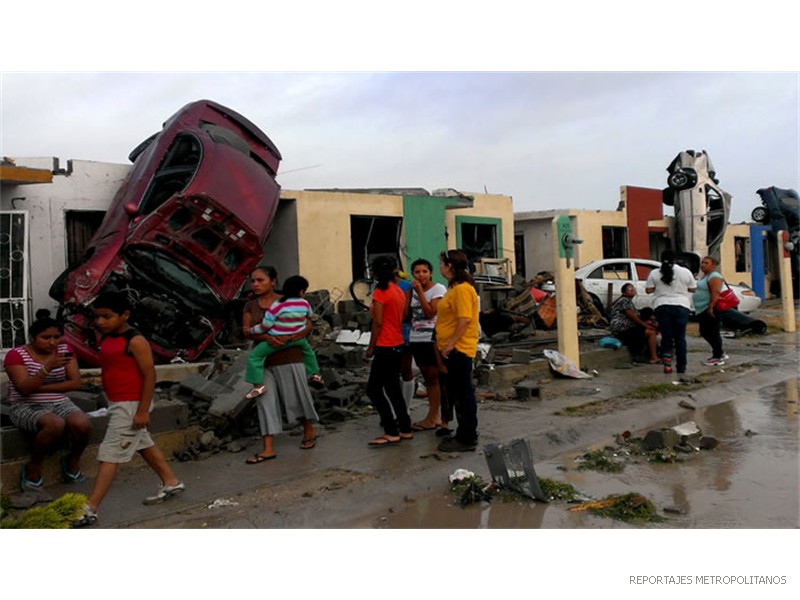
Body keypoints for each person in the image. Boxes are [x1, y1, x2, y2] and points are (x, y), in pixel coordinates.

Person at [74, 291, 185, 527]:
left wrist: (143, 411)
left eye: (107, 316)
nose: (101, 322)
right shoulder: (106, 338)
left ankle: (90, 508)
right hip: (117, 403)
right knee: (143, 443)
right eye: (98, 317)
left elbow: (149, 375)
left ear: (125, 315)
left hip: (130, 404)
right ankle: (170, 481)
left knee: (109, 453)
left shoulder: (135, 341)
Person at [4, 313, 91, 491]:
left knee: (82, 424)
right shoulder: (16, 355)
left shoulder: (64, 351)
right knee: (54, 424)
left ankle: (72, 461)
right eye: (45, 338)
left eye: (56, 337)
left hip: (59, 401)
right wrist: (47, 368)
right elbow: (24, 389)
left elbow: (75, 382)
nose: (52, 342)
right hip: (25, 405)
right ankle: (33, 468)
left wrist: (39, 387)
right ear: (33, 338)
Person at [243, 274, 322, 399]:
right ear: (302, 292)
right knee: (308, 352)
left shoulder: (277, 305)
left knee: (255, 357)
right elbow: (310, 317)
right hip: (298, 340)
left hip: (276, 340)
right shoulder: (305, 303)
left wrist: (252, 330)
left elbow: (266, 325)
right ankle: (315, 374)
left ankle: (258, 386)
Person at [365, 255, 413, 446]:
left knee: (373, 389)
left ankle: (390, 429)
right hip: (398, 342)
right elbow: (401, 316)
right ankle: (405, 427)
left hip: (384, 345)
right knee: (393, 387)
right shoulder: (399, 291)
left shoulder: (380, 292)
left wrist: (370, 347)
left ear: (375, 273)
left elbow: (378, 322)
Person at [435, 249, 480, 452]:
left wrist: (451, 344)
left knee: (463, 393)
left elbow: (464, 319)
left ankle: (467, 436)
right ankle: (464, 432)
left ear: (449, 266)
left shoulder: (462, 289)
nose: (440, 267)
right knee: (459, 391)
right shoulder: (455, 288)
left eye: (442, 263)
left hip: (459, 349)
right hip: (453, 347)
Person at [406, 258, 448, 432]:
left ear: (430, 273)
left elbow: (430, 313)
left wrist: (420, 293)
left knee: (433, 378)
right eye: (417, 272)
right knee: (427, 377)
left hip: (431, 338)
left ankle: (434, 416)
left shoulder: (438, 289)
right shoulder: (413, 290)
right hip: (416, 338)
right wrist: (410, 293)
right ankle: (434, 415)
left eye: (424, 271)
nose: (421, 275)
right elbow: (407, 314)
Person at [645, 250, 697, 374]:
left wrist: (660, 287)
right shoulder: (685, 272)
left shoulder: (655, 273)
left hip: (662, 306)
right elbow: (693, 288)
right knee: (680, 338)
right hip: (682, 306)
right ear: (675, 259)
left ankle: (667, 365)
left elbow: (648, 290)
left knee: (666, 337)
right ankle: (681, 366)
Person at [608, 283, 659, 363]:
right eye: (630, 289)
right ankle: (654, 358)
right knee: (651, 333)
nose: (633, 290)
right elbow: (633, 316)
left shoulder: (629, 302)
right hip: (622, 329)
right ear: (624, 293)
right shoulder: (624, 301)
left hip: (627, 328)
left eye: (633, 289)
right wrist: (645, 325)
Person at [694, 255, 729, 366]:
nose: (703, 265)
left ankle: (717, 356)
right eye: (702, 263)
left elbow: (716, 292)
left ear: (713, 266)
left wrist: (711, 306)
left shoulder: (714, 276)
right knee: (704, 332)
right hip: (701, 308)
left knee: (712, 332)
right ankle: (719, 351)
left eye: (706, 263)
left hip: (710, 309)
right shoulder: (705, 276)